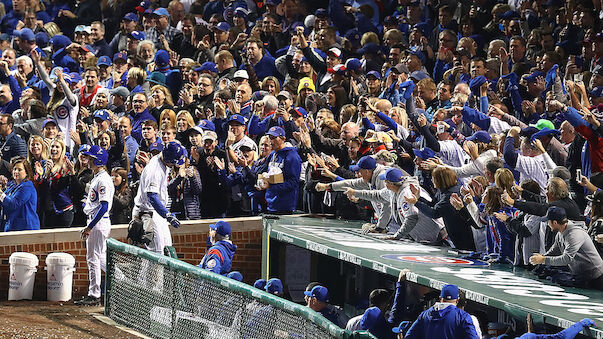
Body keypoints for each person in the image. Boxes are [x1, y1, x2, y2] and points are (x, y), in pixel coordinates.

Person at [74, 145, 114, 306]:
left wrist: (90, 226)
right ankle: (122, 280)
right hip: (97, 221)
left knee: (93, 258)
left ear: (98, 160)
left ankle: (94, 294)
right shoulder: (98, 177)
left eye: (91, 158)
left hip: (98, 222)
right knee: (100, 257)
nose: (88, 160)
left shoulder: (103, 179)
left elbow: (104, 206)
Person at [131, 141, 186, 254]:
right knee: (157, 252)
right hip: (147, 211)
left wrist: (179, 179)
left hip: (158, 212)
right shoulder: (154, 169)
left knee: (167, 249)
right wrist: (167, 214)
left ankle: (161, 272)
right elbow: (152, 196)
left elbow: (164, 189)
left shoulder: (163, 162)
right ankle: (149, 273)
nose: (174, 165)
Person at [529, 206, 603, 290]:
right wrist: (541, 257)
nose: (547, 224)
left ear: (555, 222)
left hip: (594, 277)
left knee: (557, 278)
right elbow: (555, 251)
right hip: (581, 273)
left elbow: (566, 259)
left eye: (548, 221)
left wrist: (543, 260)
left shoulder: (574, 235)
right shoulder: (561, 233)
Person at [404, 284, 479, 339]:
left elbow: (409, 336)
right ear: (457, 300)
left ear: (440, 298)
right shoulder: (462, 316)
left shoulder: (425, 315)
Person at [257, 126, 302, 214]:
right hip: (271, 202)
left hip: (285, 205)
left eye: (274, 138)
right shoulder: (273, 154)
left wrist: (271, 187)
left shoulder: (292, 156)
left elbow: (293, 182)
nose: (271, 141)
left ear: (283, 139)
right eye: (270, 138)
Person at [0, 157, 39, 231]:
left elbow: (13, 204)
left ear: (26, 172)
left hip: (25, 228)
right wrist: (3, 189)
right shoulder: (13, 185)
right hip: (12, 226)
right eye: (14, 169)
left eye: (19, 169)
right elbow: (3, 200)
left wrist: (0, 193)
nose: (16, 172)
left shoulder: (27, 186)